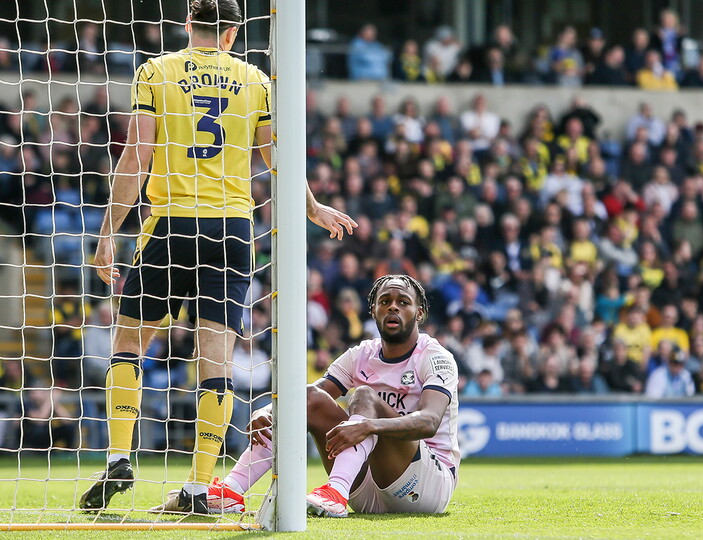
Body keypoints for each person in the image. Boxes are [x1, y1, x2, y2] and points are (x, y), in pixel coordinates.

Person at [79, 0, 357, 514]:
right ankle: (199, 486)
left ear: (189, 26)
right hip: (232, 229)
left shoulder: (155, 71)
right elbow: (276, 158)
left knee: (129, 339)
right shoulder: (255, 80)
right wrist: (313, 208)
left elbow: (137, 155)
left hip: (170, 223)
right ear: (232, 32)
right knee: (216, 358)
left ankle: (119, 453)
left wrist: (107, 233)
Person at [205, 275, 460, 518]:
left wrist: (369, 425)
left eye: (403, 302)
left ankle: (336, 489)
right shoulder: (361, 354)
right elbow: (306, 401)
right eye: (385, 301)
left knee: (364, 396)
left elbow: (429, 421)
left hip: (427, 486)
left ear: (419, 313)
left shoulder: (435, 357)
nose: (393, 307)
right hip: (365, 487)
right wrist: (268, 412)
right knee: (308, 397)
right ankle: (232, 489)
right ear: (373, 311)